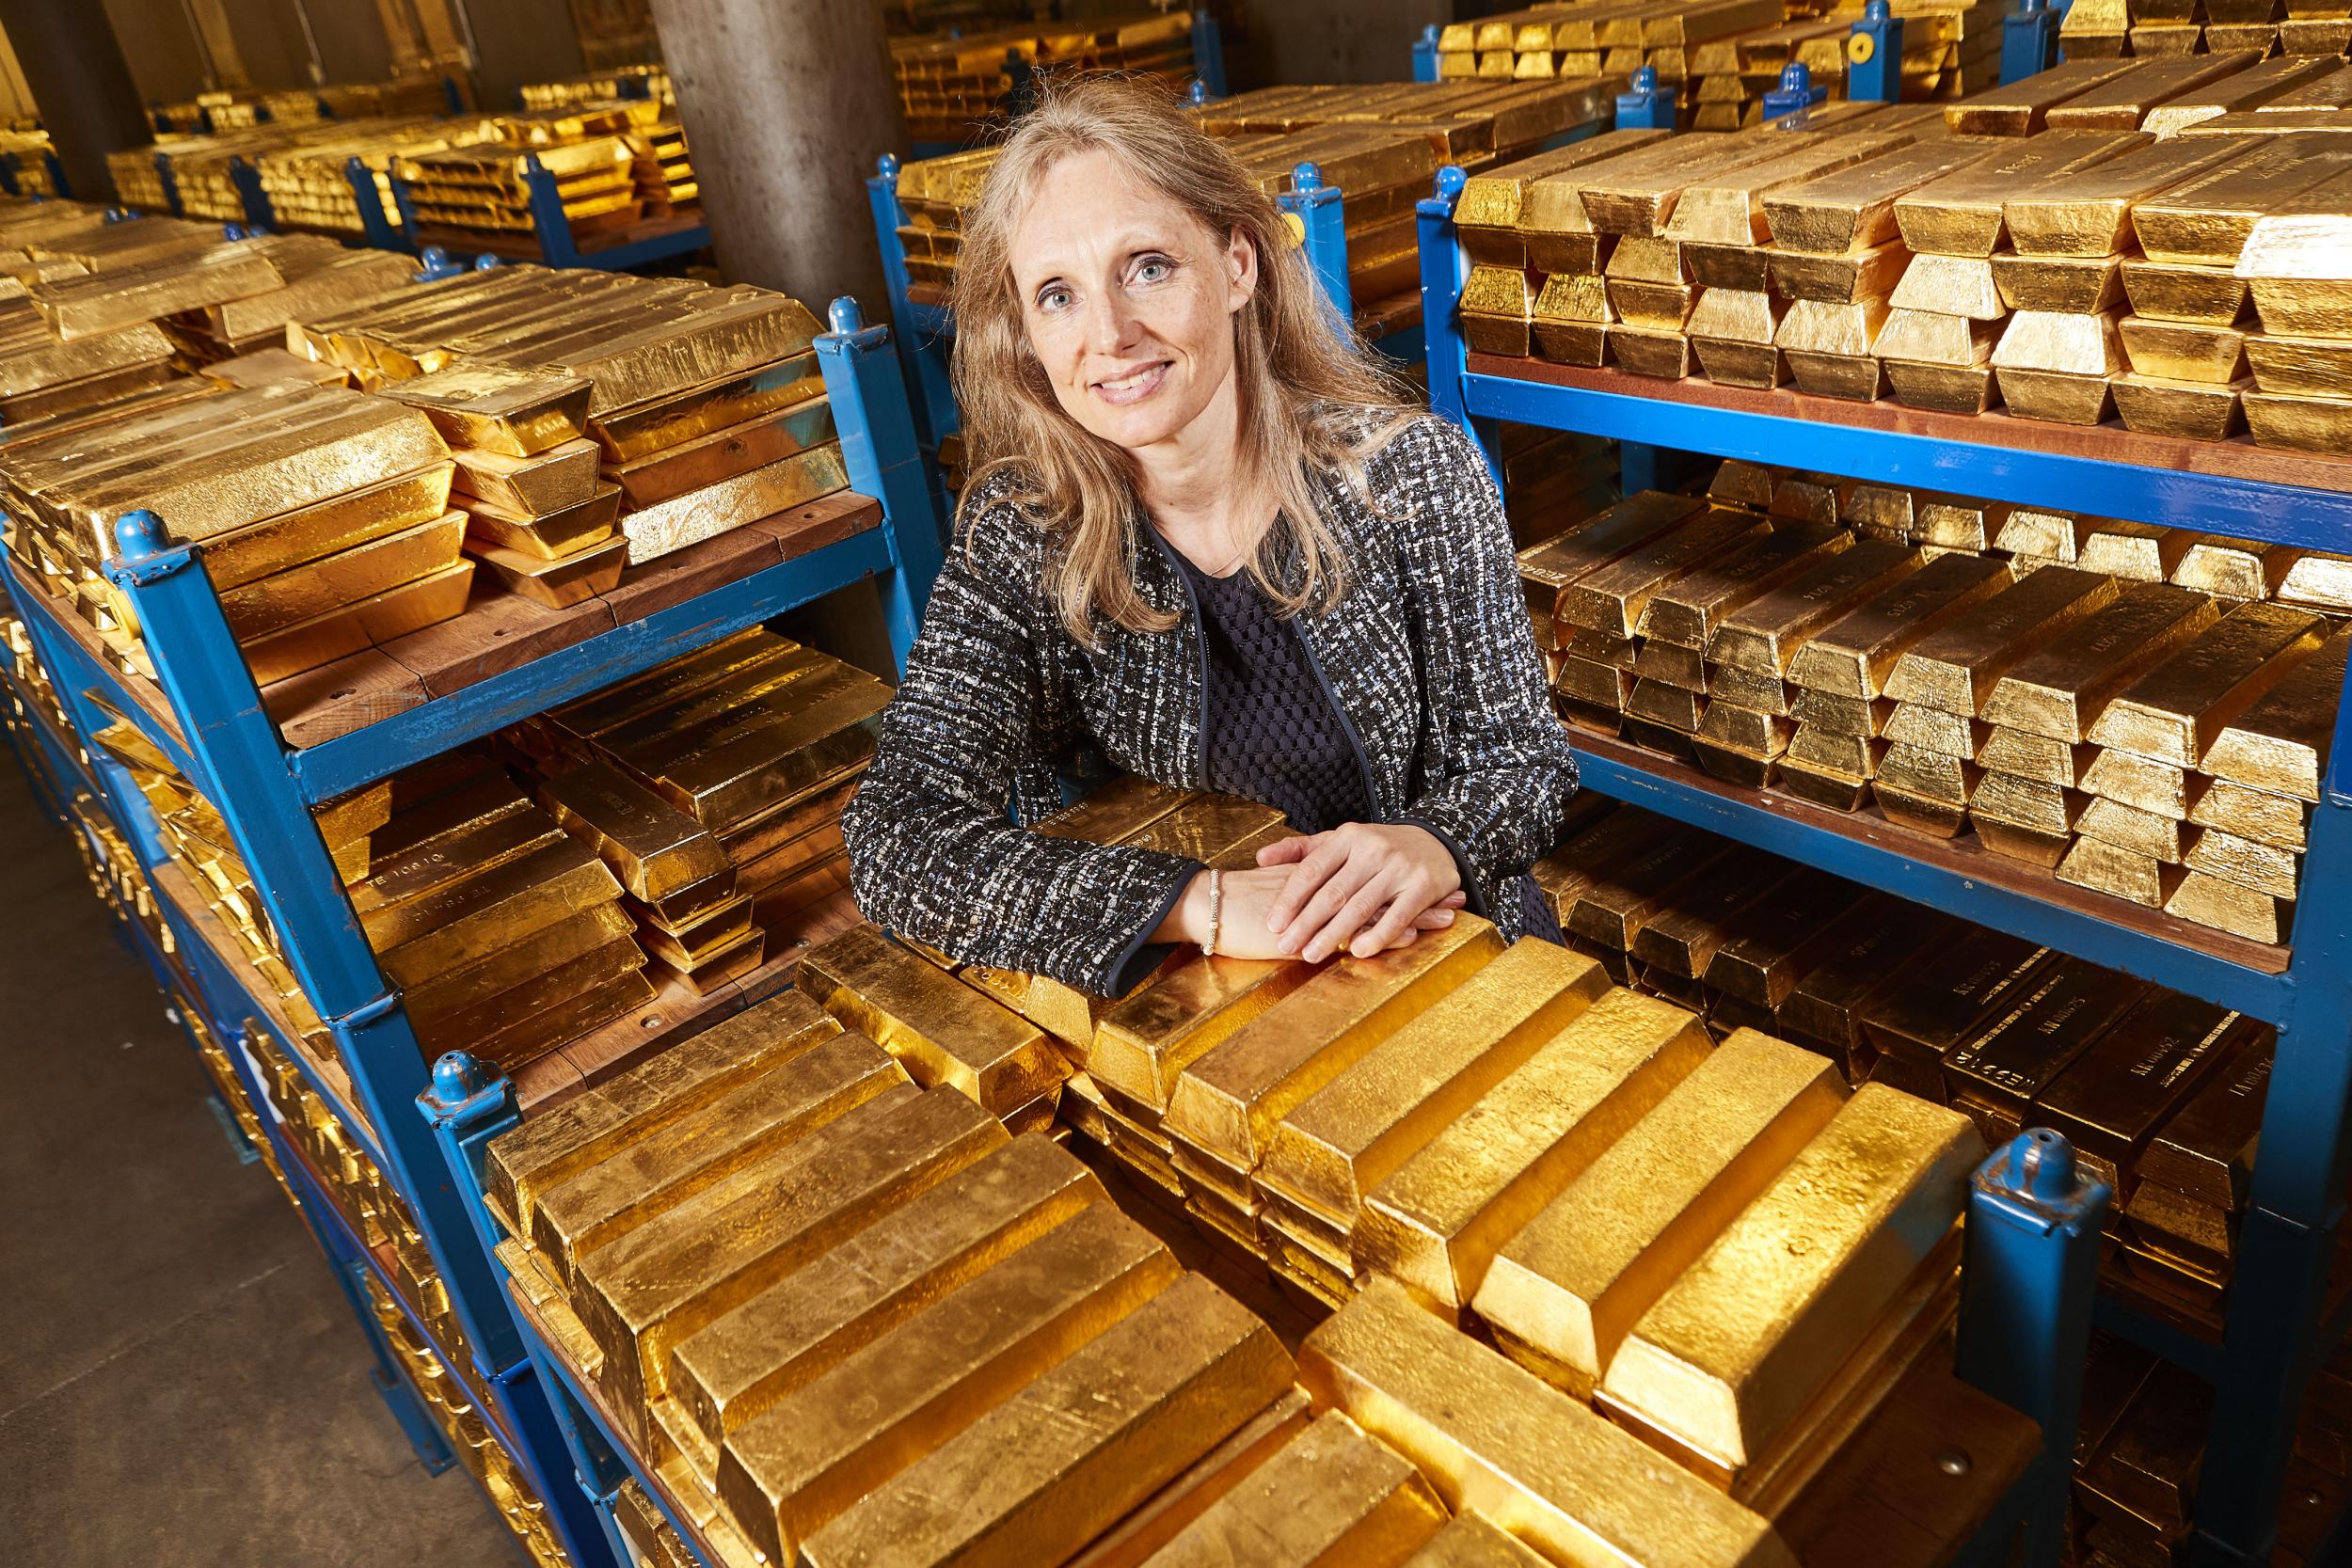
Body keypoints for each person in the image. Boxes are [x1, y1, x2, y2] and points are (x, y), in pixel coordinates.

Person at [841, 76, 1577, 999]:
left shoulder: (1410, 475)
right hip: (1224, 996)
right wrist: (1204, 902)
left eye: (1147, 266)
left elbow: (1524, 762)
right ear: (1026, 333)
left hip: (1452, 957)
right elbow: (897, 835)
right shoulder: (1025, 535)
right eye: (1058, 294)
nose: (1110, 334)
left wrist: (1435, 841)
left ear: (1236, 264)